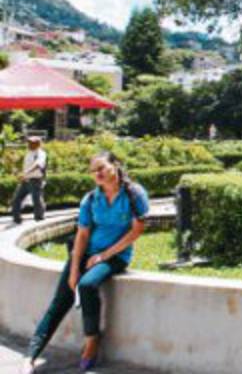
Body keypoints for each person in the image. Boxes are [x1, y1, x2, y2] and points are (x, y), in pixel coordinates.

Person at [23, 153, 149, 373]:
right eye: (93, 171)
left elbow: (137, 230)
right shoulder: (91, 199)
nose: (97, 174)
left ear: (115, 165)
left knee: (87, 284)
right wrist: (74, 269)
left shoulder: (134, 194)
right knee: (60, 302)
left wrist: (104, 256)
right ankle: (31, 356)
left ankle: (92, 340)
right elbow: (82, 235)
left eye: (101, 168)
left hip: (116, 256)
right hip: (85, 253)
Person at [11, 135, 47, 224]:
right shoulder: (29, 153)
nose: (28, 144)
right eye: (28, 142)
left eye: (31, 143)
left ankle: (39, 218)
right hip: (26, 180)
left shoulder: (41, 154)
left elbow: (38, 165)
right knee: (16, 199)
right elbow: (26, 164)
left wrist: (26, 172)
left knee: (37, 200)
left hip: (35, 180)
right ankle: (17, 218)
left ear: (37, 144)